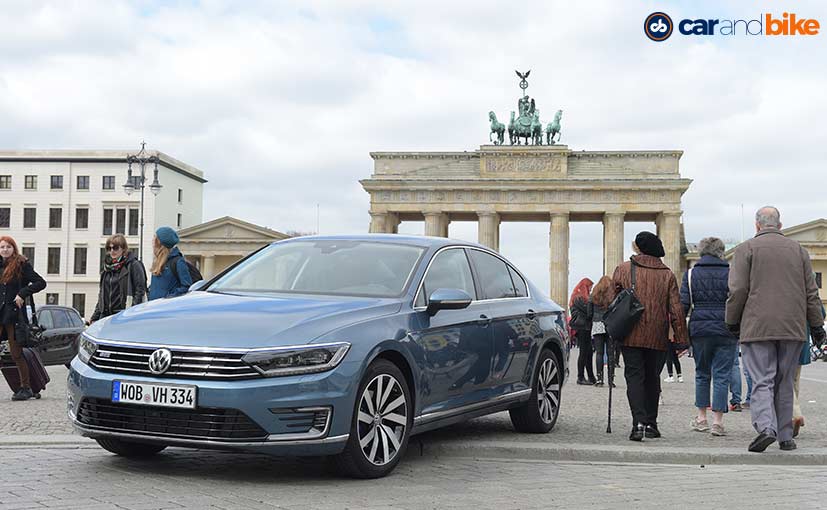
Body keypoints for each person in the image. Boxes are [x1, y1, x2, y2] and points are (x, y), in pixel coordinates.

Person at [726, 206, 826, 452]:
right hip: (792, 327)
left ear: (757, 225)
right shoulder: (798, 251)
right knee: (785, 381)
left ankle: (765, 427)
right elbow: (811, 293)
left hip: (757, 325)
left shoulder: (745, 250)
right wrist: (816, 326)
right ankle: (785, 436)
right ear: (780, 226)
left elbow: (738, 290)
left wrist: (731, 321)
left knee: (762, 379)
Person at [612, 231, 687, 441]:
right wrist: (681, 339)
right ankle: (651, 424)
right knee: (653, 378)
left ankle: (637, 423)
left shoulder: (623, 269)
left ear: (638, 248)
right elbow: (676, 309)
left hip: (631, 332)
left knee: (634, 377)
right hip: (657, 334)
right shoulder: (667, 274)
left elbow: (612, 299)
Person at [680, 237, 737, 437]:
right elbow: (737, 301)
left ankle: (701, 417)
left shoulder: (690, 275)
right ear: (721, 252)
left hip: (700, 328)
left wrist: (680, 335)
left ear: (701, 252)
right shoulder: (731, 274)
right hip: (726, 328)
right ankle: (718, 422)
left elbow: (683, 305)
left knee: (702, 373)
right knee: (722, 375)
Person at [0, 236, 46, 401]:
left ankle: (26, 388)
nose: (5, 250)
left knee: (16, 353)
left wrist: (22, 293)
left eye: (8, 247)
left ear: (14, 248)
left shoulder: (21, 265)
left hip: (13, 316)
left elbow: (40, 282)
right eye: (2, 247)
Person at [90, 235, 147, 322]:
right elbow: (102, 294)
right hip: (105, 316)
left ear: (123, 248)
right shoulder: (106, 268)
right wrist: (95, 316)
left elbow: (140, 290)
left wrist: (131, 312)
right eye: (109, 248)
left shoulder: (133, 265)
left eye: (115, 248)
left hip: (123, 315)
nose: (112, 251)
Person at [792, 300, 826, 438]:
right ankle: (792, 414)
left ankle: (794, 414)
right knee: (794, 379)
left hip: (783, 334)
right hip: (802, 335)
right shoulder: (807, 283)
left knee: (782, 378)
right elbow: (820, 313)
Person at [148, 227, 192, 300]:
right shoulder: (157, 261)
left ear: (159, 243)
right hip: (153, 306)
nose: (152, 241)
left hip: (167, 307)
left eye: (155, 238)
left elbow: (187, 286)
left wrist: (169, 297)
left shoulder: (178, 261)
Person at [590, 276, 617, 387]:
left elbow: (589, 312)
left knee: (599, 353)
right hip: (610, 324)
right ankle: (611, 381)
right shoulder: (613, 295)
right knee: (611, 354)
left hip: (597, 324)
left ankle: (599, 379)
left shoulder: (594, 295)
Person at [569, 278, 595, 385]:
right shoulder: (579, 298)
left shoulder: (578, 297)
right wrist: (591, 301)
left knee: (588, 352)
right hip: (582, 327)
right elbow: (589, 312)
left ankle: (591, 377)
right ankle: (580, 377)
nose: (590, 290)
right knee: (584, 352)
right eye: (590, 287)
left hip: (585, 327)